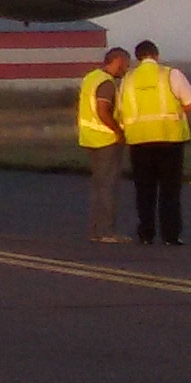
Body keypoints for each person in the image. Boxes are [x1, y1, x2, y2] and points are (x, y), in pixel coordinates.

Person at [119, 40, 191, 246]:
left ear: (137, 58)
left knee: (144, 190)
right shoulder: (171, 74)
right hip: (169, 138)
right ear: (156, 55)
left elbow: (121, 109)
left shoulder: (128, 79)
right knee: (170, 190)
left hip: (139, 140)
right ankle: (170, 235)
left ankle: (146, 233)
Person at [77, 47, 131, 242]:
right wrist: (118, 131)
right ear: (117, 61)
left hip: (90, 137)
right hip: (106, 139)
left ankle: (96, 230)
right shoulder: (106, 83)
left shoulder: (90, 77)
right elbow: (103, 110)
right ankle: (106, 232)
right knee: (108, 186)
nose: (126, 68)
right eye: (125, 63)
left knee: (99, 187)